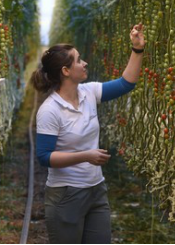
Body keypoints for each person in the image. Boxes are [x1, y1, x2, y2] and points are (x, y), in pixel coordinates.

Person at [31, 24, 145, 244]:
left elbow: (126, 84)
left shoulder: (89, 92)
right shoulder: (50, 110)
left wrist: (137, 49)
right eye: (79, 60)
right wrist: (85, 156)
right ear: (66, 71)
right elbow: (44, 157)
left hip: (96, 190)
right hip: (65, 195)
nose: (85, 63)